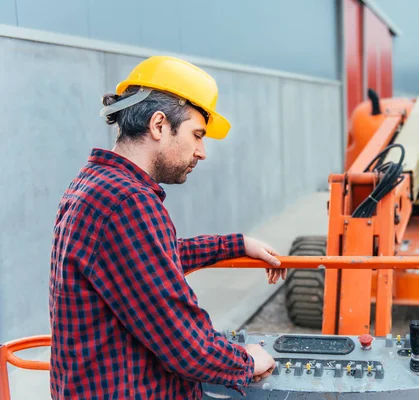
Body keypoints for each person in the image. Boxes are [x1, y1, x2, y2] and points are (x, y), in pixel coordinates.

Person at [48, 55, 285, 399]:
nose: (202, 152)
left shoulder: (93, 183)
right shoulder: (128, 202)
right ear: (159, 125)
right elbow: (185, 343)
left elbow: (151, 260)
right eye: (197, 135)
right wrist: (246, 361)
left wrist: (236, 244)